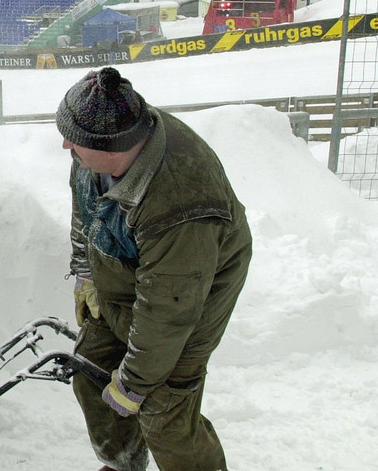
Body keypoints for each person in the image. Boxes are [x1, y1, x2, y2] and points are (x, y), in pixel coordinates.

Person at [56, 67, 252, 471]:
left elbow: (168, 313)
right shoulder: (95, 148)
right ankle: (123, 462)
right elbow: (85, 208)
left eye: (73, 140)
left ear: (109, 147)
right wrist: (85, 271)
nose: (64, 145)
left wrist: (133, 385)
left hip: (192, 288)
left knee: (163, 411)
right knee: (92, 372)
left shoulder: (181, 202)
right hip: (131, 268)